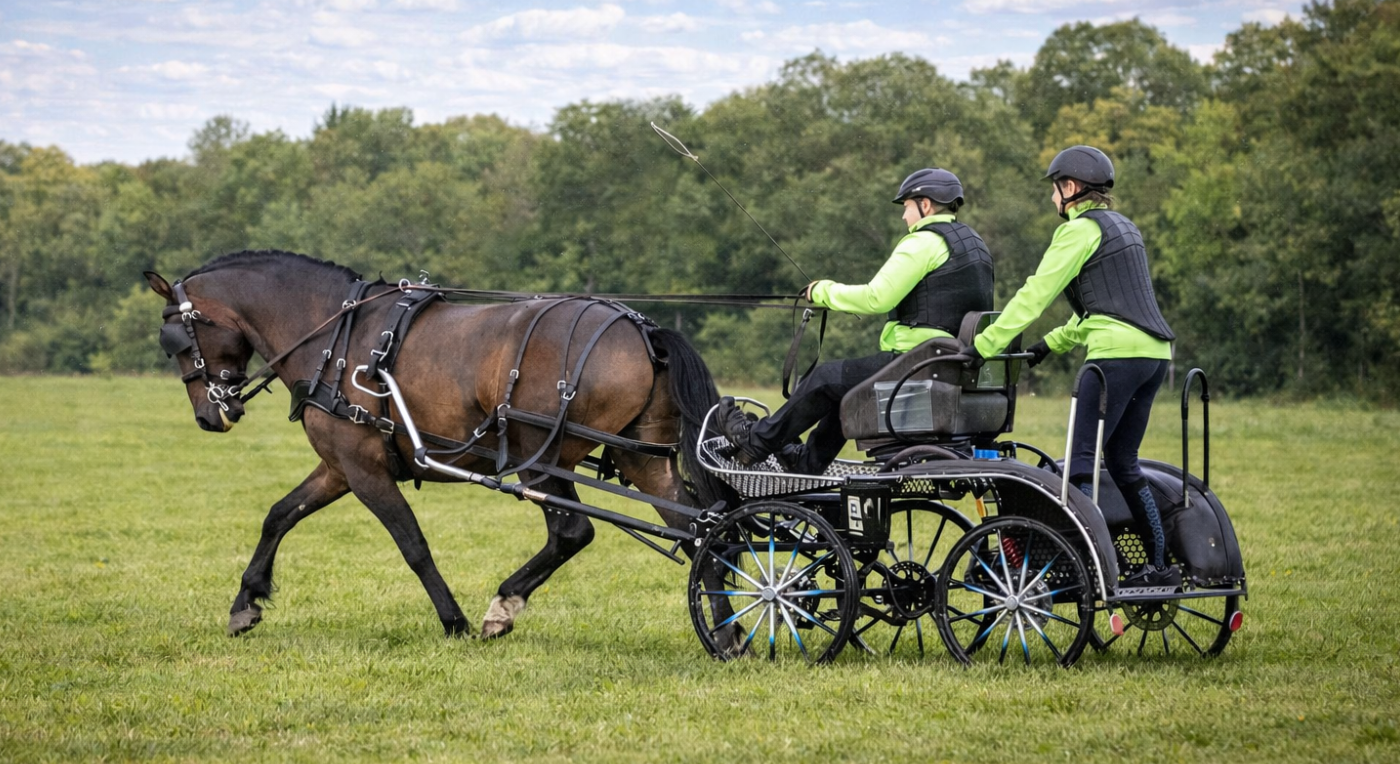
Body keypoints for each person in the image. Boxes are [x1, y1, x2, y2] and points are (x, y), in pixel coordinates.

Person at [969, 145, 1179, 589]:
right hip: (1155, 356)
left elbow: (1035, 294)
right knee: (1123, 461)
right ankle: (1159, 563)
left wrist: (985, 344)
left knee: (1081, 462)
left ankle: (1088, 564)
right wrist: (1049, 344)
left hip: (1114, 358)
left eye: (1054, 189)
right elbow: (1106, 308)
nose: (1052, 198)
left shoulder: (1078, 231)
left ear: (1070, 187)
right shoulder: (1124, 227)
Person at [716, 168, 994, 475]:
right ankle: (807, 462)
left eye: (906, 207)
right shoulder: (975, 244)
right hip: (947, 366)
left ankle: (754, 442)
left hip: (919, 363)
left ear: (925, 205)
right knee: (842, 386)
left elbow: (877, 298)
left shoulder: (923, 242)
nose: (904, 216)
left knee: (824, 378)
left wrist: (823, 292)